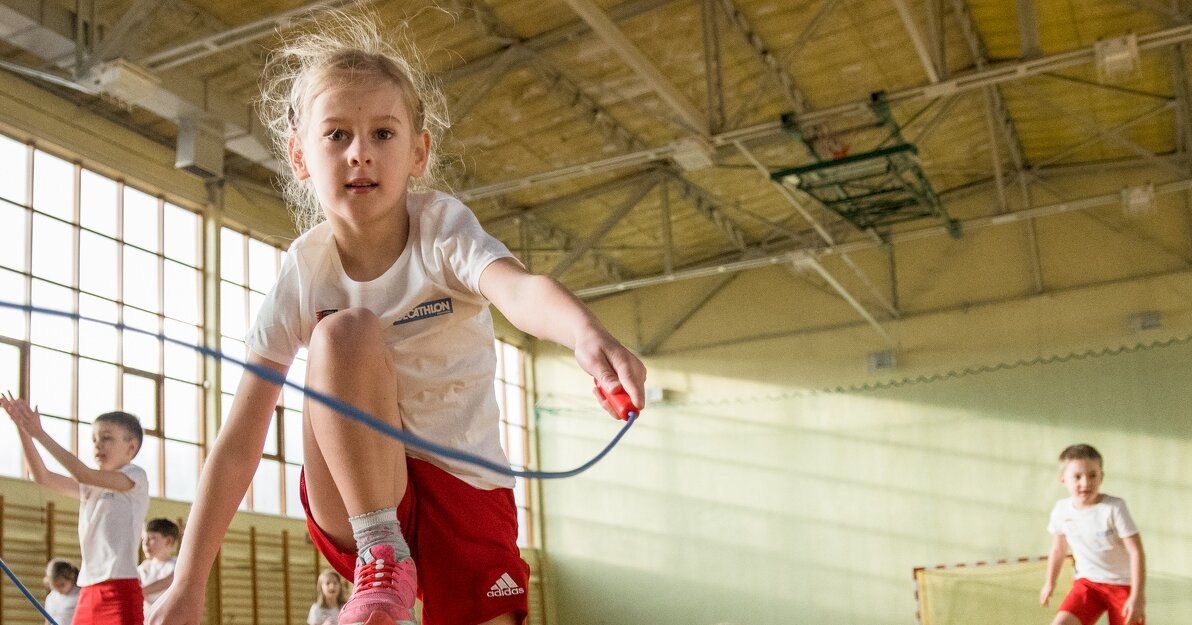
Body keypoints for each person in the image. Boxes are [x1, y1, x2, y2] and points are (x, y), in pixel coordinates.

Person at [149, 9, 645, 625]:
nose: (360, 153)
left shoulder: (442, 230)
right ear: (300, 155)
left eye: (383, 134)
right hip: (357, 501)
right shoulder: (305, 267)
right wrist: (189, 584)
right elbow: (238, 442)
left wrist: (583, 332)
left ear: (419, 151)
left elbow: (519, 290)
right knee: (344, 330)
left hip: (465, 485)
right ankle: (382, 557)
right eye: (336, 135)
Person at [1, 393, 148, 625]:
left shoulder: (135, 477)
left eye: (107, 438)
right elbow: (42, 476)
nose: (98, 444)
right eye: (94, 440)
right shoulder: (89, 488)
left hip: (119, 588)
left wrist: (40, 433)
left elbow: (83, 473)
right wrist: (24, 431)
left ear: (131, 447)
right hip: (88, 590)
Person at [1040, 444, 1146, 625]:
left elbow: (1136, 552)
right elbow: (1058, 549)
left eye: (1092, 475)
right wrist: (1050, 582)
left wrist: (1137, 597)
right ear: (1063, 479)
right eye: (1077, 477)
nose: (1085, 483)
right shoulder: (1061, 510)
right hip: (1088, 585)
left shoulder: (1114, 508)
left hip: (1123, 585)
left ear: (1101, 477)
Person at [138, 518, 180, 613]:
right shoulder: (144, 567)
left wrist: (139, 592)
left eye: (151, 538)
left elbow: (169, 581)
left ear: (168, 541)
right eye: (143, 539)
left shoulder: (176, 564)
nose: (145, 543)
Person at [43, 558, 80, 625]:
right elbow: (47, 622)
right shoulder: (50, 598)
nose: (59, 589)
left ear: (72, 578)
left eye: (62, 585)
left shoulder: (80, 595)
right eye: (55, 586)